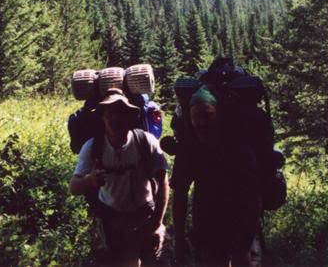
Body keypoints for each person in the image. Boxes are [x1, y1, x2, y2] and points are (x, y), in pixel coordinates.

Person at [70, 88, 169, 267]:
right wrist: (90, 180)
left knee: (150, 261)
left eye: (121, 114)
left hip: (144, 214)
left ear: (130, 116)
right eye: (110, 114)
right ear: (102, 117)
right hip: (111, 219)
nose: (115, 119)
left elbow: (163, 183)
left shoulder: (146, 142)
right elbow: (74, 187)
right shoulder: (93, 147)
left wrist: (157, 223)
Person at [171, 86, 264, 267]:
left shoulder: (237, 146)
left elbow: (254, 195)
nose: (202, 122)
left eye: (208, 115)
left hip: (241, 222)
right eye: (196, 117)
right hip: (207, 227)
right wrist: (179, 238)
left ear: (218, 114)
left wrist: (245, 243)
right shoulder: (189, 148)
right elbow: (180, 194)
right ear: (189, 118)